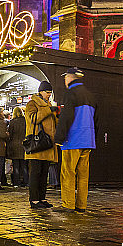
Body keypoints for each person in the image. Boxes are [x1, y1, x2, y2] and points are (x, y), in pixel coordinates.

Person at [54, 68, 97, 213]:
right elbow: (96, 120)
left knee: (68, 172)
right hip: (88, 140)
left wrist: (59, 137)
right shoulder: (90, 95)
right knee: (83, 175)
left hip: (73, 140)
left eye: (65, 77)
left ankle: (68, 204)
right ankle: (81, 205)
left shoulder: (70, 93)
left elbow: (66, 117)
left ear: (69, 78)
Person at [26, 82, 59, 208]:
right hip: (37, 145)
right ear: (41, 92)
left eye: (50, 93)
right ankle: (34, 200)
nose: (49, 95)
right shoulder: (32, 104)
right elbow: (33, 119)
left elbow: (53, 123)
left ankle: (42, 198)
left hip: (47, 145)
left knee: (44, 173)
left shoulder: (49, 105)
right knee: (35, 174)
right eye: (47, 92)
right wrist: (48, 110)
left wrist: (56, 114)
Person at [7, 106, 28, 187]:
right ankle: (26, 181)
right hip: (24, 145)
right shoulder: (25, 121)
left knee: (16, 165)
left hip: (14, 145)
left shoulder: (12, 122)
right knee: (24, 165)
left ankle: (16, 182)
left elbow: (10, 134)